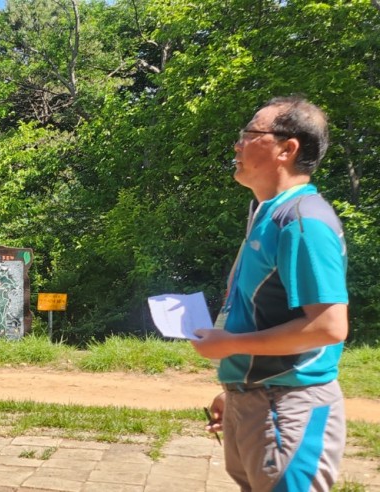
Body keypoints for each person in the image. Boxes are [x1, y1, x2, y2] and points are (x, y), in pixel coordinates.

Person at [191, 96, 349, 491]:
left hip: (287, 409)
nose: (238, 144)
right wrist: (237, 390)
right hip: (259, 403)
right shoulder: (268, 213)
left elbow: (329, 327)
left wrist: (231, 346)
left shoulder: (302, 221)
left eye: (249, 134)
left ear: (286, 149)